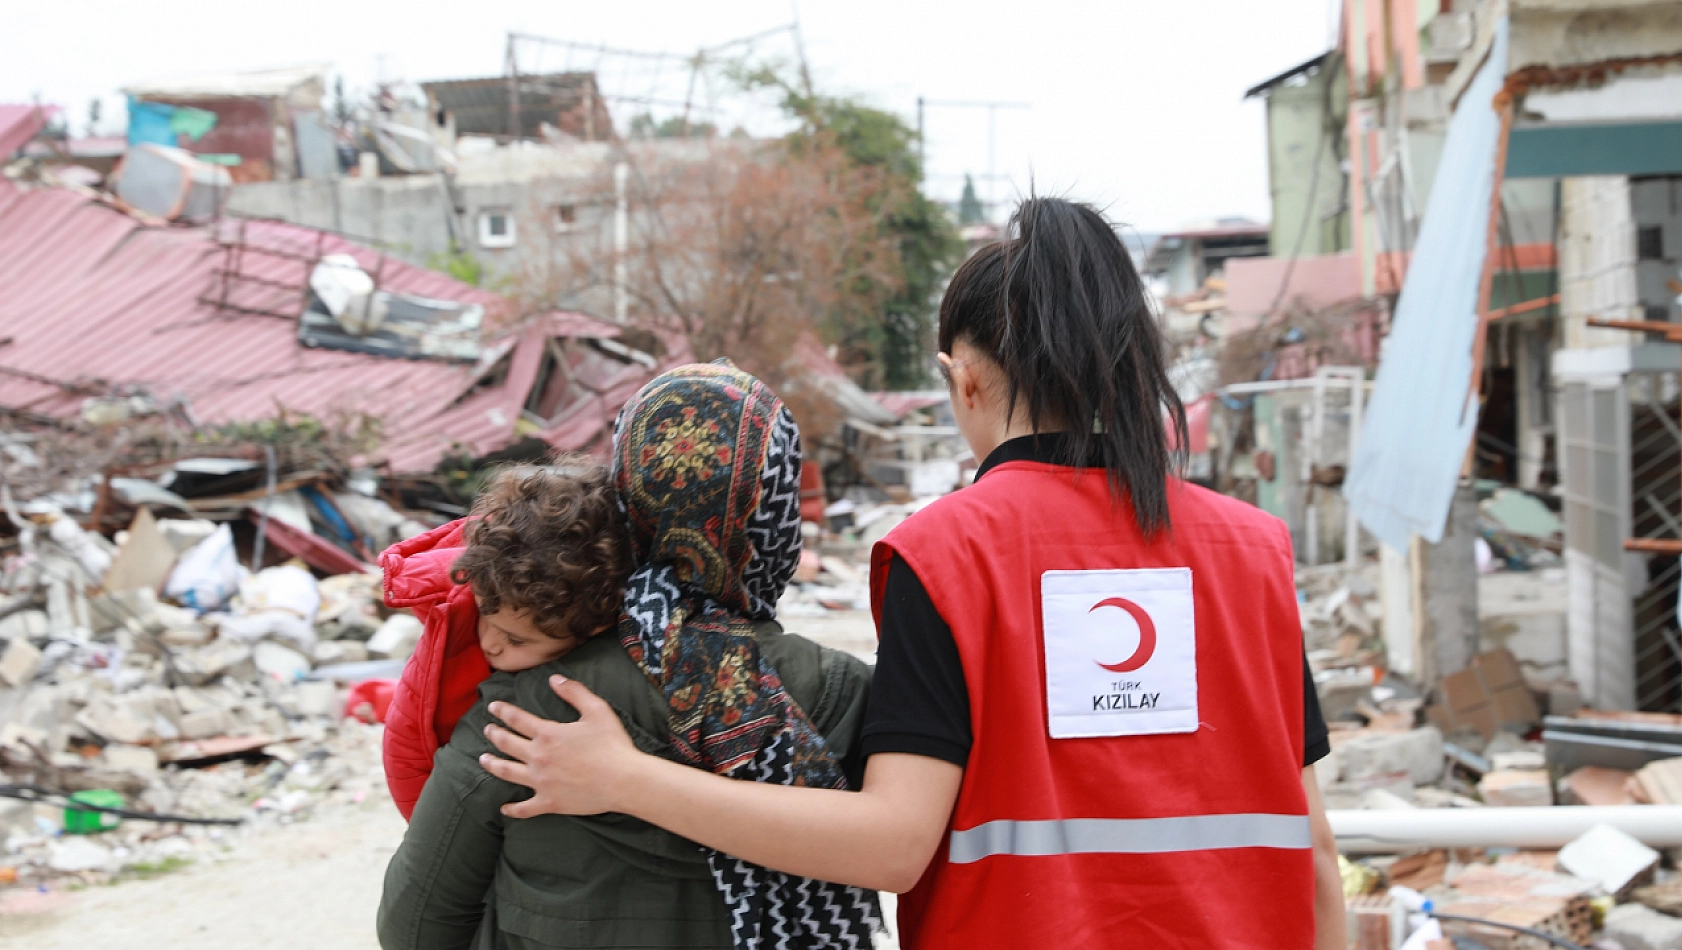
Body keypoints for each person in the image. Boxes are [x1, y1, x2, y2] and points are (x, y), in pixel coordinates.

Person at [475, 198, 1346, 949]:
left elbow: (893, 843)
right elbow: (1311, 847)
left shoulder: (946, 554)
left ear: (960, 379)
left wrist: (619, 776)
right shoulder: (1252, 549)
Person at [378, 362, 879, 950]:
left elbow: (415, 926)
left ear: (626, 494)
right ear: (775, 513)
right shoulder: (839, 690)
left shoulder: (529, 695)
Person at [379, 461, 633, 820]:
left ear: (592, 629)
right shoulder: (468, 603)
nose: (490, 643)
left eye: (516, 640)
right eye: (485, 616)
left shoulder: (590, 628)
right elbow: (409, 751)